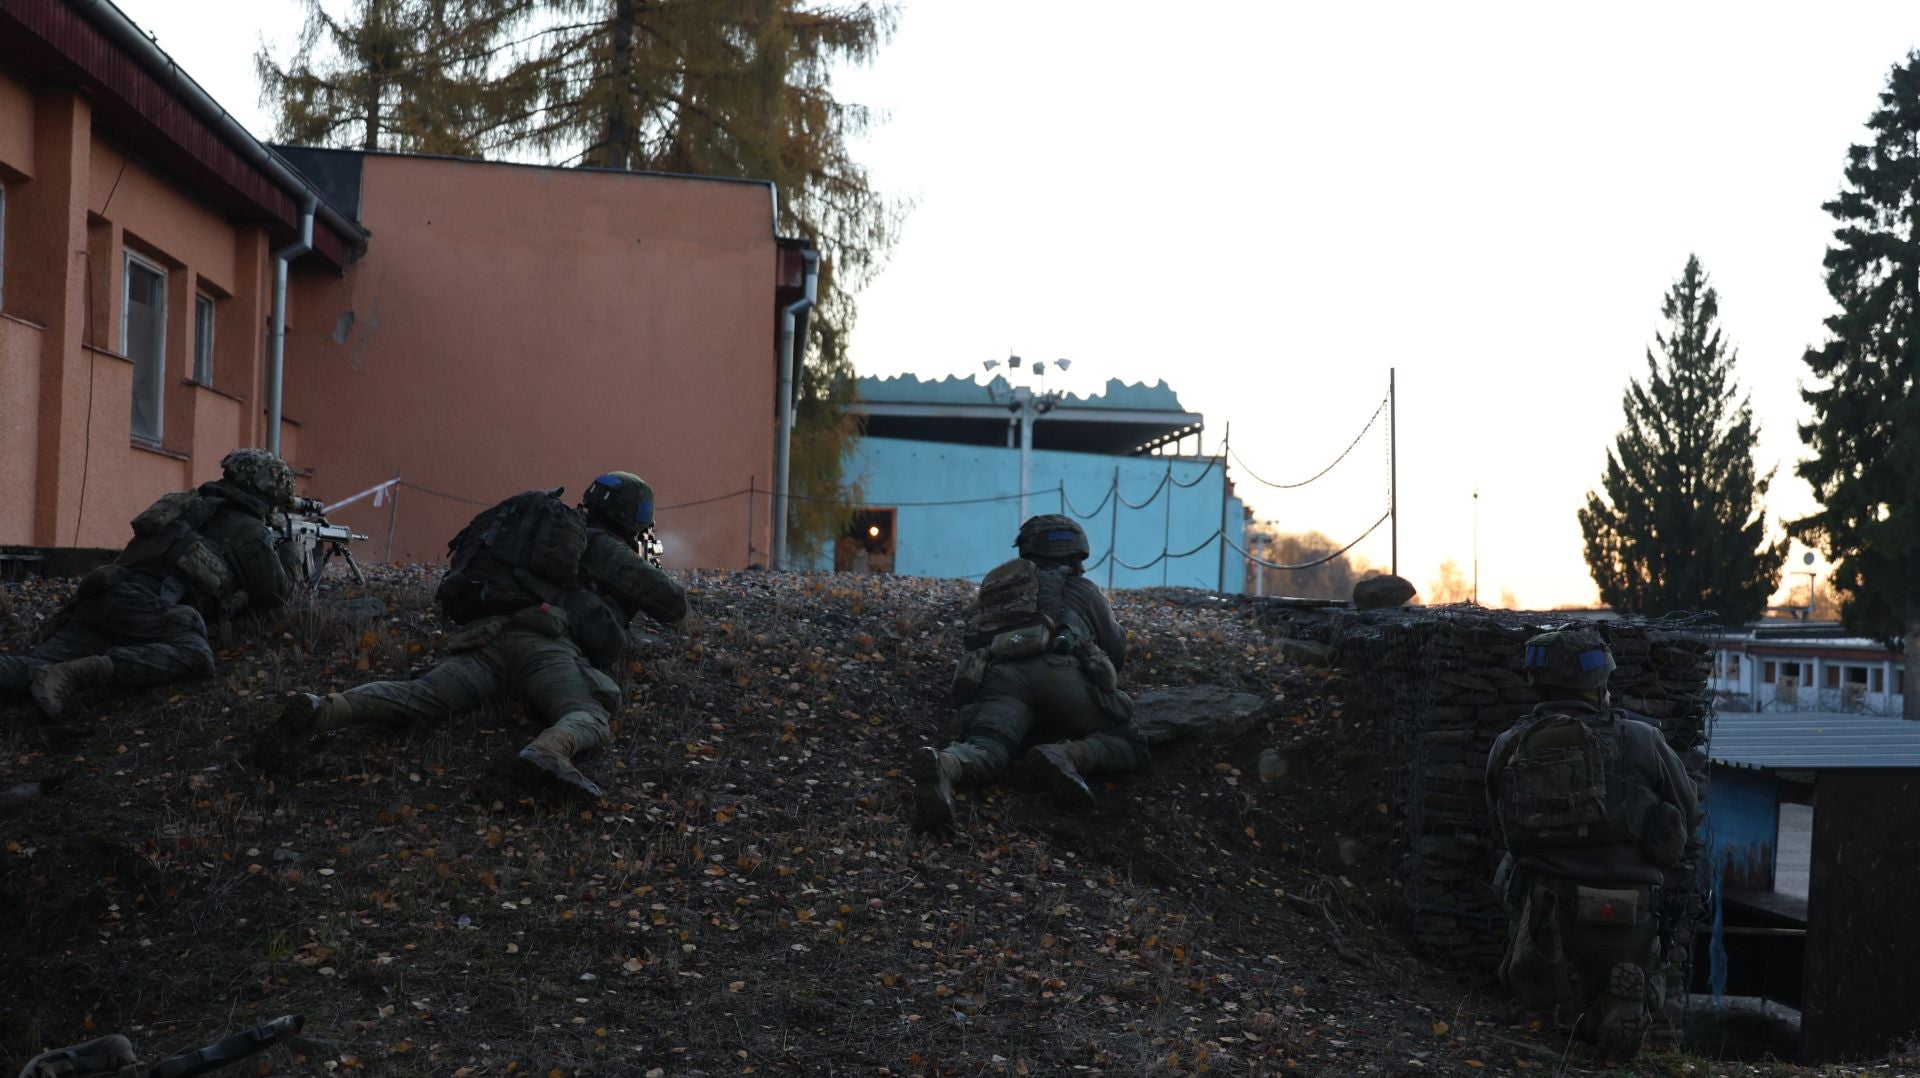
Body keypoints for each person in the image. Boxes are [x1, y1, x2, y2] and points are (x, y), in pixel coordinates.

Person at [255, 472, 686, 798]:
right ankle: (549, 751)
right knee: (588, 714)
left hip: (486, 636)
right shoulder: (602, 546)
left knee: (419, 695)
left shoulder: (549, 532)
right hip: (545, 647)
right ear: (633, 517)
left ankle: (325, 709)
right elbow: (672, 605)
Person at [1485, 628, 1701, 1063]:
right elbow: (1689, 811)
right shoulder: (1643, 739)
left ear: (1536, 682)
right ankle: (1630, 1004)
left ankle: (1568, 1014)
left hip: (1548, 908)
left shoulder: (1511, 744)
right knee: (1649, 968)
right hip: (1631, 907)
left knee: (1537, 988)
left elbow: (1500, 822)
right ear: (1601, 681)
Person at [0, 449, 297, 720]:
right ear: (268, 492)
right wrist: (288, 549)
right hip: (145, 611)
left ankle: (56, 672)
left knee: (29, 667)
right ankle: (81, 673)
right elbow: (276, 595)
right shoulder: (249, 530)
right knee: (197, 656)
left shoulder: (186, 505)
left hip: (103, 595)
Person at [910, 514, 1146, 832]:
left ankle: (946, 765)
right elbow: (1115, 651)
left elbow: (973, 637)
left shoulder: (1002, 589)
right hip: (1063, 679)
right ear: (1077, 551)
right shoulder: (1086, 591)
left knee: (988, 747)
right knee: (1129, 742)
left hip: (1003, 678)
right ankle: (1064, 755)